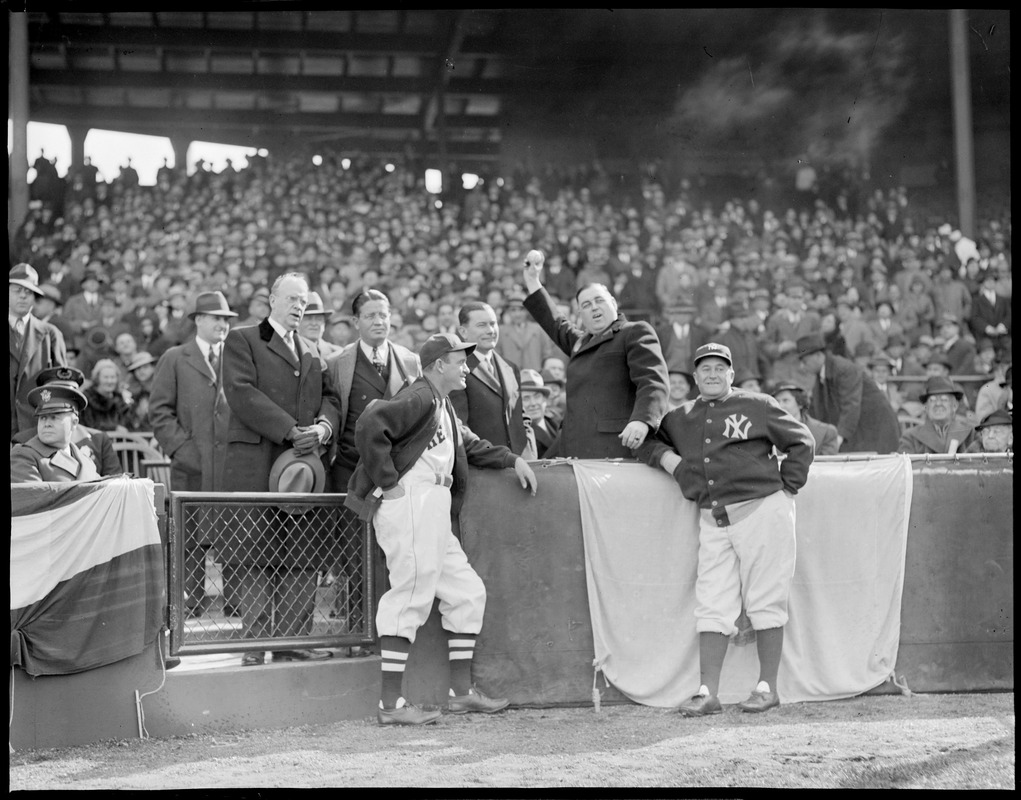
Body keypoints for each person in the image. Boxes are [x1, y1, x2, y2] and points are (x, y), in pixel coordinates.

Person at [345, 332, 539, 725]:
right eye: (459, 360)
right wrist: (389, 483)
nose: (466, 366)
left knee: (466, 592)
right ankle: (390, 706)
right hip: (412, 499)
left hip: (432, 503)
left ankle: (461, 693)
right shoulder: (419, 396)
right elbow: (370, 423)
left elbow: (470, 445)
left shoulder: (441, 403)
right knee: (410, 594)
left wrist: (511, 459)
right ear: (438, 365)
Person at [634, 342, 814, 716]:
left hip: (763, 510)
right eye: (705, 369)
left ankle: (767, 687)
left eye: (720, 368)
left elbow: (802, 442)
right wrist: (673, 463)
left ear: (731, 374)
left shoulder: (757, 404)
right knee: (712, 601)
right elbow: (648, 442)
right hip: (714, 517)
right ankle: (707, 692)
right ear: (695, 377)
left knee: (767, 599)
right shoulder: (680, 416)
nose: (713, 374)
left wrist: (787, 487)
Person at [221, 272, 341, 666]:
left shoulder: (311, 349)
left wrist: (323, 429)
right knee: (254, 554)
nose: (298, 307)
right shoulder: (243, 339)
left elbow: (330, 397)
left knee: (301, 553)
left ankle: (291, 640)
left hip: (304, 466)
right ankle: (254, 643)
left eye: (303, 302)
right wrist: (290, 431)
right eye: (291, 299)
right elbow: (241, 393)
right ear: (271, 299)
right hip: (257, 463)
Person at [522, 249, 670, 458]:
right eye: (586, 305)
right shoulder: (582, 342)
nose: (594, 308)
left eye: (599, 301)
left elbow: (653, 380)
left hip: (613, 446)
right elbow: (555, 322)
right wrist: (532, 280)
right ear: (581, 314)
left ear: (613, 302)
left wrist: (642, 420)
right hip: (572, 445)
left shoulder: (634, 331)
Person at [149, 291, 239, 619]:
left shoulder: (238, 356)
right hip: (191, 462)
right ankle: (191, 602)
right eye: (216, 317)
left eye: (226, 319)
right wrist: (182, 450)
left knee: (234, 531)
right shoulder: (175, 357)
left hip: (231, 464)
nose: (222, 324)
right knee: (189, 537)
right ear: (198, 320)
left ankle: (236, 600)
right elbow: (159, 412)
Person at [325, 289, 421, 492]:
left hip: (399, 469)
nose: (378, 322)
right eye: (370, 316)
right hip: (350, 469)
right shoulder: (336, 364)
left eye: (383, 315)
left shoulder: (410, 361)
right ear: (356, 321)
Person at [450, 300, 536, 458]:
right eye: (482, 325)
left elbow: (521, 418)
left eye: (493, 323)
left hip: (521, 465)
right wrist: (497, 457)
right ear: (463, 332)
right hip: (484, 467)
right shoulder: (457, 369)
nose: (490, 330)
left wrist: (529, 453)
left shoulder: (510, 367)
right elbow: (459, 426)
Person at [796, 333, 901, 454]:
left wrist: (837, 439)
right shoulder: (823, 374)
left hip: (878, 429)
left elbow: (851, 406)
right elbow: (817, 410)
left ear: (819, 355)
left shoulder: (843, 369)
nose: (802, 366)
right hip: (861, 429)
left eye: (805, 361)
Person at [11, 365, 121, 476]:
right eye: (44, 417)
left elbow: (114, 482)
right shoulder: (23, 443)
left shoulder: (98, 439)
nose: (48, 423)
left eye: (68, 395)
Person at [10, 263, 68, 438]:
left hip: (36, 429)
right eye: (17, 290)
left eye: (28, 292)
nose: (23, 296)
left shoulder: (50, 334)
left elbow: (61, 387)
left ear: (35, 298)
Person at [10, 377, 101, 483]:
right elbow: (35, 497)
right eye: (42, 418)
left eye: (54, 417)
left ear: (74, 422)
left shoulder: (85, 460)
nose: (47, 424)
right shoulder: (23, 455)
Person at [897, 376, 977, 455]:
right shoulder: (910, 437)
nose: (938, 404)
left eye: (944, 399)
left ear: (954, 406)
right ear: (926, 407)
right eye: (932, 400)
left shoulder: (971, 434)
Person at [770, 383, 840, 455]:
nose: (780, 406)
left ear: (800, 403)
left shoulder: (826, 432)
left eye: (785, 400)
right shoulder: (767, 432)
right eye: (777, 401)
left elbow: (828, 463)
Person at [81, 358, 134, 432]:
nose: (110, 381)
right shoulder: (87, 398)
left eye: (113, 377)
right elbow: (88, 426)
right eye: (106, 377)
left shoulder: (119, 399)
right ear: (97, 378)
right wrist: (114, 429)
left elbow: (127, 424)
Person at [520, 368, 560, 458]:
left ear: (545, 399)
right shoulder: (519, 432)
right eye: (526, 398)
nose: (533, 403)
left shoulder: (555, 420)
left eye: (537, 397)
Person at [299, 291, 344, 361]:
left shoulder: (338, 354)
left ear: (324, 323)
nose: (314, 323)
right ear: (298, 322)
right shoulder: (291, 352)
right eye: (308, 319)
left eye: (318, 319)